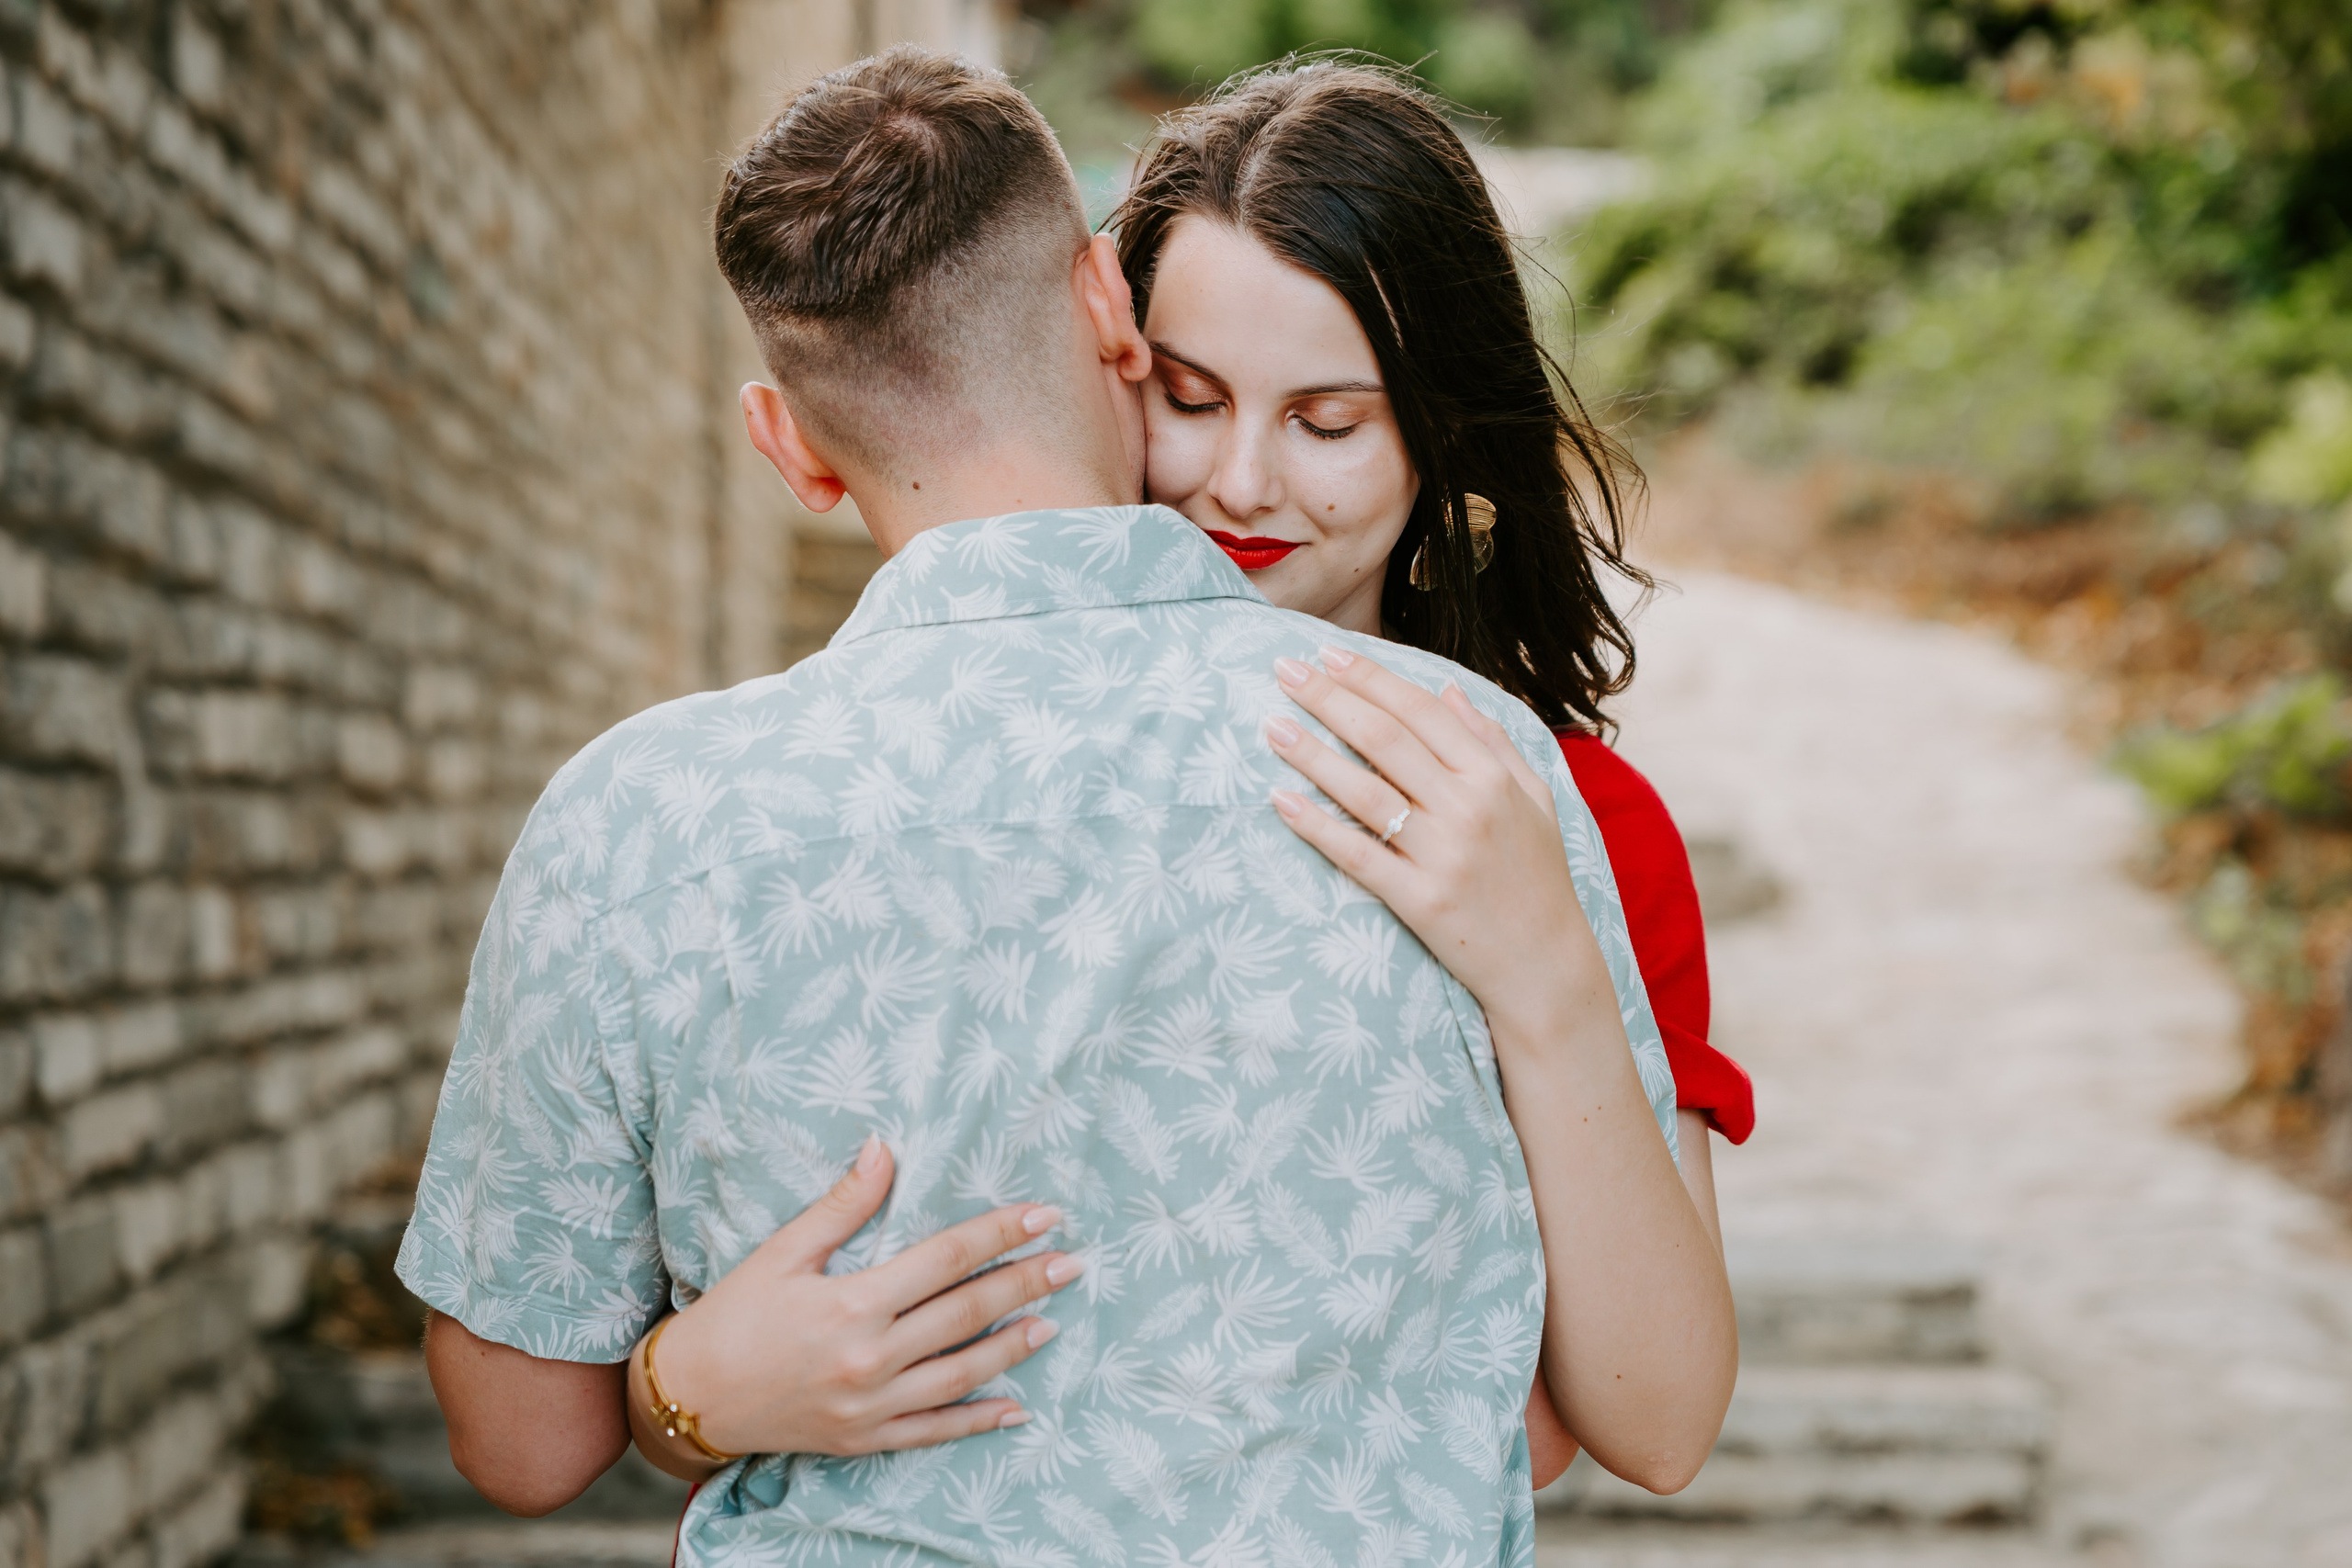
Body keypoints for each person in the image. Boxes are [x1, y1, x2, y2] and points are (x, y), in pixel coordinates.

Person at [398, 43, 1733, 1563]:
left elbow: (1614, 1417)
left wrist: (1547, 968)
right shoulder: (790, 794)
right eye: (1189, 393)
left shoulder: (1534, 796)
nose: (1242, 481)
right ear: (1109, 322)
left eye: (1330, 420)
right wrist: (687, 1392)